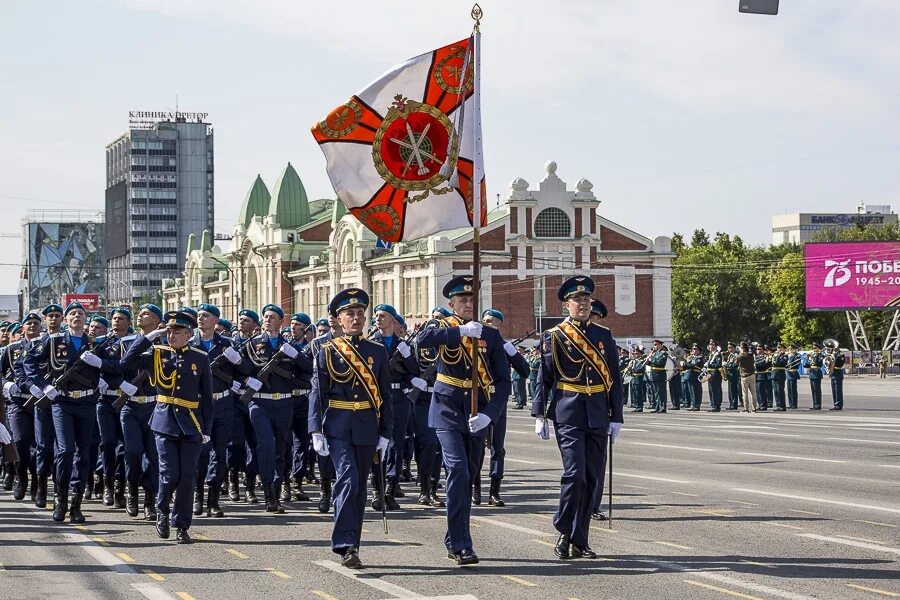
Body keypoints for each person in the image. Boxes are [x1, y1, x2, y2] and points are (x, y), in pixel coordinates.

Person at [416, 275, 510, 566]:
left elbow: (504, 381)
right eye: (462, 300)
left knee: (468, 476)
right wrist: (459, 333)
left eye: (471, 299)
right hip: (446, 408)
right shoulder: (443, 327)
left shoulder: (489, 335)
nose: (467, 303)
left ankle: (454, 535)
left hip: (476, 411)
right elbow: (422, 340)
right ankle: (461, 544)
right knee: (456, 469)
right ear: (452, 304)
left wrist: (489, 414)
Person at [533, 276, 623, 560]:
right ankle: (563, 529)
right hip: (568, 410)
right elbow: (544, 377)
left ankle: (579, 540)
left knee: (592, 478)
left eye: (587, 300)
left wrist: (616, 415)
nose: (583, 304)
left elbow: (615, 379)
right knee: (575, 475)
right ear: (566, 304)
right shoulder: (554, 335)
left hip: (597, 410)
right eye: (577, 300)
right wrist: (539, 413)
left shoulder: (603, 335)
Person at [308, 288, 393, 569]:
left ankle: (353, 545)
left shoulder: (377, 352)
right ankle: (344, 543)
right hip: (339, 426)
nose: (356, 318)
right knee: (347, 479)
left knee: (357, 488)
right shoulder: (327, 351)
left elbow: (385, 395)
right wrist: (315, 430)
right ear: (338, 320)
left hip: (368, 426)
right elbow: (317, 393)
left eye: (360, 314)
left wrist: (386, 433)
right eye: (349, 314)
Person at [121, 309, 213, 544]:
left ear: (189, 334)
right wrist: (149, 337)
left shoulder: (200, 358)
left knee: (187, 477)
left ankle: (182, 525)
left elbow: (207, 398)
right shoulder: (156, 354)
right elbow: (126, 362)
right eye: (169, 330)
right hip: (164, 422)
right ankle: (162, 511)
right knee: (169, 473)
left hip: (191, 423)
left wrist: (207, 431)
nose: (171, 335)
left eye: (177, 331)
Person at [24, 301, 103, 523]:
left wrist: (104, 371)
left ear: (85, 319)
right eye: (72, 313)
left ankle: (76, 504)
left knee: (83, 453)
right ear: (66, 320)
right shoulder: (53, 340)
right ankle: (61, 499)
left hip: (87, 402)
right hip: (62, 402)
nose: (77, 316)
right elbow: (28, 360)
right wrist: (43, 385)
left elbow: (114, 364)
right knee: (66, 450)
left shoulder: (95, 342)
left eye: (80, 313)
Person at [238, 304, 313, 514]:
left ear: (282, 322)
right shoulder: (252, 345)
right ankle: (268, 493)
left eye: (272, 317)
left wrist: (296, 356)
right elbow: (239, 369)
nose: (267, 320)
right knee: (266, 445)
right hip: (259, 403)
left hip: (284, 403)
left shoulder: (290, 346)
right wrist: (246, 381)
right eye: (265, 316)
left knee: (281, 448)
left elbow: (308, 369)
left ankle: (277, 491)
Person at [191, 304, 242, 517]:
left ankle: (213, 499)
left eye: (206, 316)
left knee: (219, 452)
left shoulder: (227, 344)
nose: (201, 319)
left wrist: (237, 361)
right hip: (197, 405)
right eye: (199, 316)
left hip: (222, 404)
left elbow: (244, 370)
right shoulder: (190, 343)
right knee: (199, 453)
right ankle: (197, 496)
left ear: (216, 320)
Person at [367, 303, 419, 511]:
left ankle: (391, 486)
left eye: (383, 316)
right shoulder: (370, 343)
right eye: (377, 316)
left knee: (397, 444)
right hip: (377, 396)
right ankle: (377, 487)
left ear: (393, 321)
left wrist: (406, 355)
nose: (378, 319)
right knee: (377, 443)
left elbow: (414, 372)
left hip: (398, 397)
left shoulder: (403, 345)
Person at [117, 304, 164, 519]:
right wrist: (146, 339)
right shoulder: (127, 342)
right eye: (140, 313)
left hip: (154, 405)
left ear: (156, 320)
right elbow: (124, 363)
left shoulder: (165, 344)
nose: (140, 316)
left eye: (146, 314)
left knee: (154, 456)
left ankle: (149, 500)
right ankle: (132, 490)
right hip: (131, 405)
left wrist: (156, 340)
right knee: (133, 451)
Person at [479, 308, 528, 507]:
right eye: (485, 320)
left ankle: (494, 491)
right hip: (479, 400)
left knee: (497, 448)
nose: (488, 323)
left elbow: (524, 371)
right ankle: (475, 489)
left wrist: (513, 353)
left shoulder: (503, 346)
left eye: (492, 321)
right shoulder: (475, 344)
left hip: (497, 403)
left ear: (500, 324)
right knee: (476, 448)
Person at [2, 312, 43, 501]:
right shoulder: (11, 349)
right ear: (22, 328)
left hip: (40, 402)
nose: (32, 326)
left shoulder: (47, 346)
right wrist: (6, 384)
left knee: (39, 446)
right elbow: (1, 373)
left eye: (36, 323)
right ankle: (21, 478)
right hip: (18, 402)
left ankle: (36, 481)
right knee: (19, 442)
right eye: (29, 323)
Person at [227, 309, 261, 503]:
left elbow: (260, 366)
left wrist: (251, 378)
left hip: (255, 398)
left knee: (255, 444)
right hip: (235, 399)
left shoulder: (258, 344)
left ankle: (249, 486)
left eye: (246, 320)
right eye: (240, 319)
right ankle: (233, 481)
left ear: (254, 324)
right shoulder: (231, 343)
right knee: (236, 444)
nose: (241, 322)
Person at [645, 340, 668, 413]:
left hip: (659, 374)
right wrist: (647, 361)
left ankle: (662, 407)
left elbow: (660, 363)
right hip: (654, 374)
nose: (655, 346)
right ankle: (657, 407)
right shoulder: (655, 354)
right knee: (656, 392)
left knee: (661, 392)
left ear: (660, 345)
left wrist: (651, 360)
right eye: (654, 345)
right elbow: (652, 363)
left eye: (656, 345)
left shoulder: (663, 353)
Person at [736, 342, 757, 413]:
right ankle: (754, 408)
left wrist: (740, 352)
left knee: (745, 393)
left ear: (742, 348)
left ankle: (746, 408)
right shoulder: (750, 355)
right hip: (752, 375)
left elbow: (736, 362)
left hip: (744, 376)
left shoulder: (740, 356)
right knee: (753, 393)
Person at [803, 342, 824, 410]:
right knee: (813, 390)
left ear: (818, 349)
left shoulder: (820, 355)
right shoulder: (812, 355)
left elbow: (818, 363)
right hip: (812, 373)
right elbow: (806, 365)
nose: (813, 349)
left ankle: (818, 405)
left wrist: (817, 355)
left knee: (817, 390)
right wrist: (807, 359)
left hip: (817, 373)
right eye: (813, 348)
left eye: (815, 348)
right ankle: (815, 404)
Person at [704, 340, 724, 412]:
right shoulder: (711, 354)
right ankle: (713, 405)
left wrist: (709, 365)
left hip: (715, 374)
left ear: (715, 346)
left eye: (712, 345)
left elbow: (719, 364)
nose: (710, 346)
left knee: (715, 390)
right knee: (711, 390)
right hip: (710, 374)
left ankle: (717, 406)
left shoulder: (717, 354)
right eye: (710, 345)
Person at [770, 342, 788, 412]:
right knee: (776, 391)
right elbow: (773, 363)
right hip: (774, 374)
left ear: (783, 349)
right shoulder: (775, 355)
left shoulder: (785, 356)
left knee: (780, 391)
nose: (778, 349)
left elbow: (780, 363)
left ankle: (782, 406)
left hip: (780, 375)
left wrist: (779, 355)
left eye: (780, 348)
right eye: (778, 347)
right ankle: (778, 405)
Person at [827, 342, 845, 411]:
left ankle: (839, 405)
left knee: (838, 391)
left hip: (838, 372)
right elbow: (828, 362)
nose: (833, 348)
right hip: (833, 373)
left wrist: (833, 358)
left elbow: (840, 363)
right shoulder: (832, 354)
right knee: (834, 390)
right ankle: (835, 404)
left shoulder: (841, 354)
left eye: (834, 347)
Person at [724, 342, 741, 410]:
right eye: (728, 347)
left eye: (730, 347)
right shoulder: (730, 356)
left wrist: (726, 365)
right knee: (730, 390)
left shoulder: (736, 355)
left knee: (733, 390)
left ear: (734, 348)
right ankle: (731, 404)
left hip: (734, 374)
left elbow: (735, 365)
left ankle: (734, 404)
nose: (729, 349)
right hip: (730, 374)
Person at [754, 344, 771, 411]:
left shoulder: (765, 357)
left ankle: (763, 405)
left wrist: (755, 364)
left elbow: (763, 365)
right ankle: (760, 404)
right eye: (757, 349)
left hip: (762, 375)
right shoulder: (756, 357)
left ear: (763, 350)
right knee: (757, 391)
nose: (759, 350)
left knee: (762, 391)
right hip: (756, 375)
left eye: (760, 349)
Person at [628, 347, 646, 412]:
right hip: (634, 378)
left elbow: (641, 369)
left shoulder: (642, 361)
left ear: (640, 354)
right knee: (635, 393)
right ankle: (636, 405)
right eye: (634, 353)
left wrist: (632, 369)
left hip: (639, 378)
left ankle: (639, 406)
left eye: (636, 353)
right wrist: (629, 370)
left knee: (639, 393)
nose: (635, 355)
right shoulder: (634, 361)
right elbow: (631, 371)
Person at [785, 343, 801, 409]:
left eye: (791, 349)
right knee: (789, 390)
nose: (790, 350)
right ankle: (790, 404)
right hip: (788, 373)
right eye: (789, 349)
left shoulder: (797, 356)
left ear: (794, 349)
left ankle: (794, 404)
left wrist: (791, 356)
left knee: (793, 390)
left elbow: (796, 364)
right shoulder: (788, 355)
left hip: (793, 373)